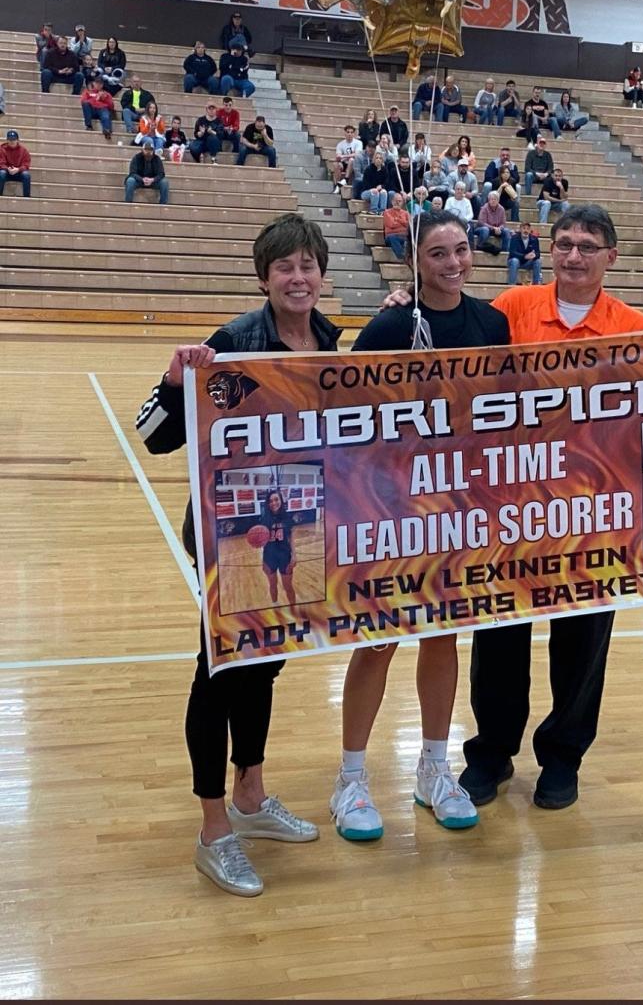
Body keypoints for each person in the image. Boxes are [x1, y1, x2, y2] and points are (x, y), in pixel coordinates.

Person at [382, 205, 643, 811]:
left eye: (588, 246)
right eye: (563, 243)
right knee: (499, 637)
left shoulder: (638, 326)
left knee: (584, 641)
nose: (573, 255)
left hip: (597, 515)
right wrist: (406, 311)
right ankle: (491, 754)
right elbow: (451, 339)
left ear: (610, 257)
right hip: (508, 509)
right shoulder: (511, 308)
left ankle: (563, 759)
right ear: (548, 248)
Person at [135, 214, 337, 895]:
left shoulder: (333, 345)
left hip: (301, 529)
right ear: (264, 277)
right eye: (285, 267)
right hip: (233, 535)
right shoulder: (231, 343)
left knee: (265, 664)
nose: (298, 278)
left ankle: (251, 794)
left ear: (321, 275)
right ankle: (214, 828)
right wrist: (175, 378)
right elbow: (155, 437)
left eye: (308, 266)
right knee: (220, 670)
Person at [330, 210, 509, 842]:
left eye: (461, 250)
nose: (454, 262)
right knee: (378, 639)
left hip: (460, 510)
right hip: (392, 508)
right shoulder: (387, 327)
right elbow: (343, 408)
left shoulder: (493, 323)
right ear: (415, 261)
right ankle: (351, 778)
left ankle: (435, 767)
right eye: (438, 253)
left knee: (442, 639)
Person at [258, 490, 298, 606]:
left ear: (281, 501)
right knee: (272, 585)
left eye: (276, 499)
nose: (273, 503)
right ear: (267, 504)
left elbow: (291, 538)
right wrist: (262, 558)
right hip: (269, 557)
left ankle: (293, 609)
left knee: (288, 587)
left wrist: (294, 555)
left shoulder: (287, 518)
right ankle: (275, 606)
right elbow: (261, 541)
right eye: (270, 501)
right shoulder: (264, 519)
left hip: (285, 556)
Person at [124, 138, 169, 204]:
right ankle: (128, 204)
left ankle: (163, 205)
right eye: (146, 149)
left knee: (164, 182)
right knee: (130, 181)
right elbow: (132, 173)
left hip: (153, 181)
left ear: (153, 151)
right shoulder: (136, 157)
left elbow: (161, 174)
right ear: (142, 150)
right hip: (139, 181)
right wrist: (142, 179)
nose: (148, 151)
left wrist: (153, 179)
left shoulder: (157, 159)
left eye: (150, 150)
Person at [0, 129, 31, 197]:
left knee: (26, 175)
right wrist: (7, 169)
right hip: (6, 172)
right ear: (7, 140)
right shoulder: (1, 149)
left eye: (14, 139)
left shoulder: (23, 150)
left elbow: (26, 164)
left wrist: (18, 169)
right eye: (10, 140)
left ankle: (26, 197)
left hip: (19, 173)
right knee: (1, 173)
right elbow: (1, 163)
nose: (12, 141)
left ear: (17, 140)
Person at [382, 191, 410, 258]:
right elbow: (391, 224)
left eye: (399, 201)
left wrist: (397, 219)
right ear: (392, 202)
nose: (397, 203)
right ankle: (401, 256)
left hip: (403, 236)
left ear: (402, 203)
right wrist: (403, 223)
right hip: (391, 237)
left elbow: (409, 225)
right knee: (392, 237)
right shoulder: (387, 212)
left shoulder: (406, 213)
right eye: (395, 201)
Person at [360, 151, 389, 215]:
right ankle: (374, 210)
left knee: (384, 192)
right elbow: (365, 184)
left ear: (382, 160)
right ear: (374, 159)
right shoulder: (368, 169)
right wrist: (373, 189)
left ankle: (382, 211)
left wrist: (382, 186)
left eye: (380, 158)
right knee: (375, 192)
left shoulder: (385, 170)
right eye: (377, 158)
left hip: (379, 190)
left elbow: (387, 183)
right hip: (366, 191)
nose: (378, 159)